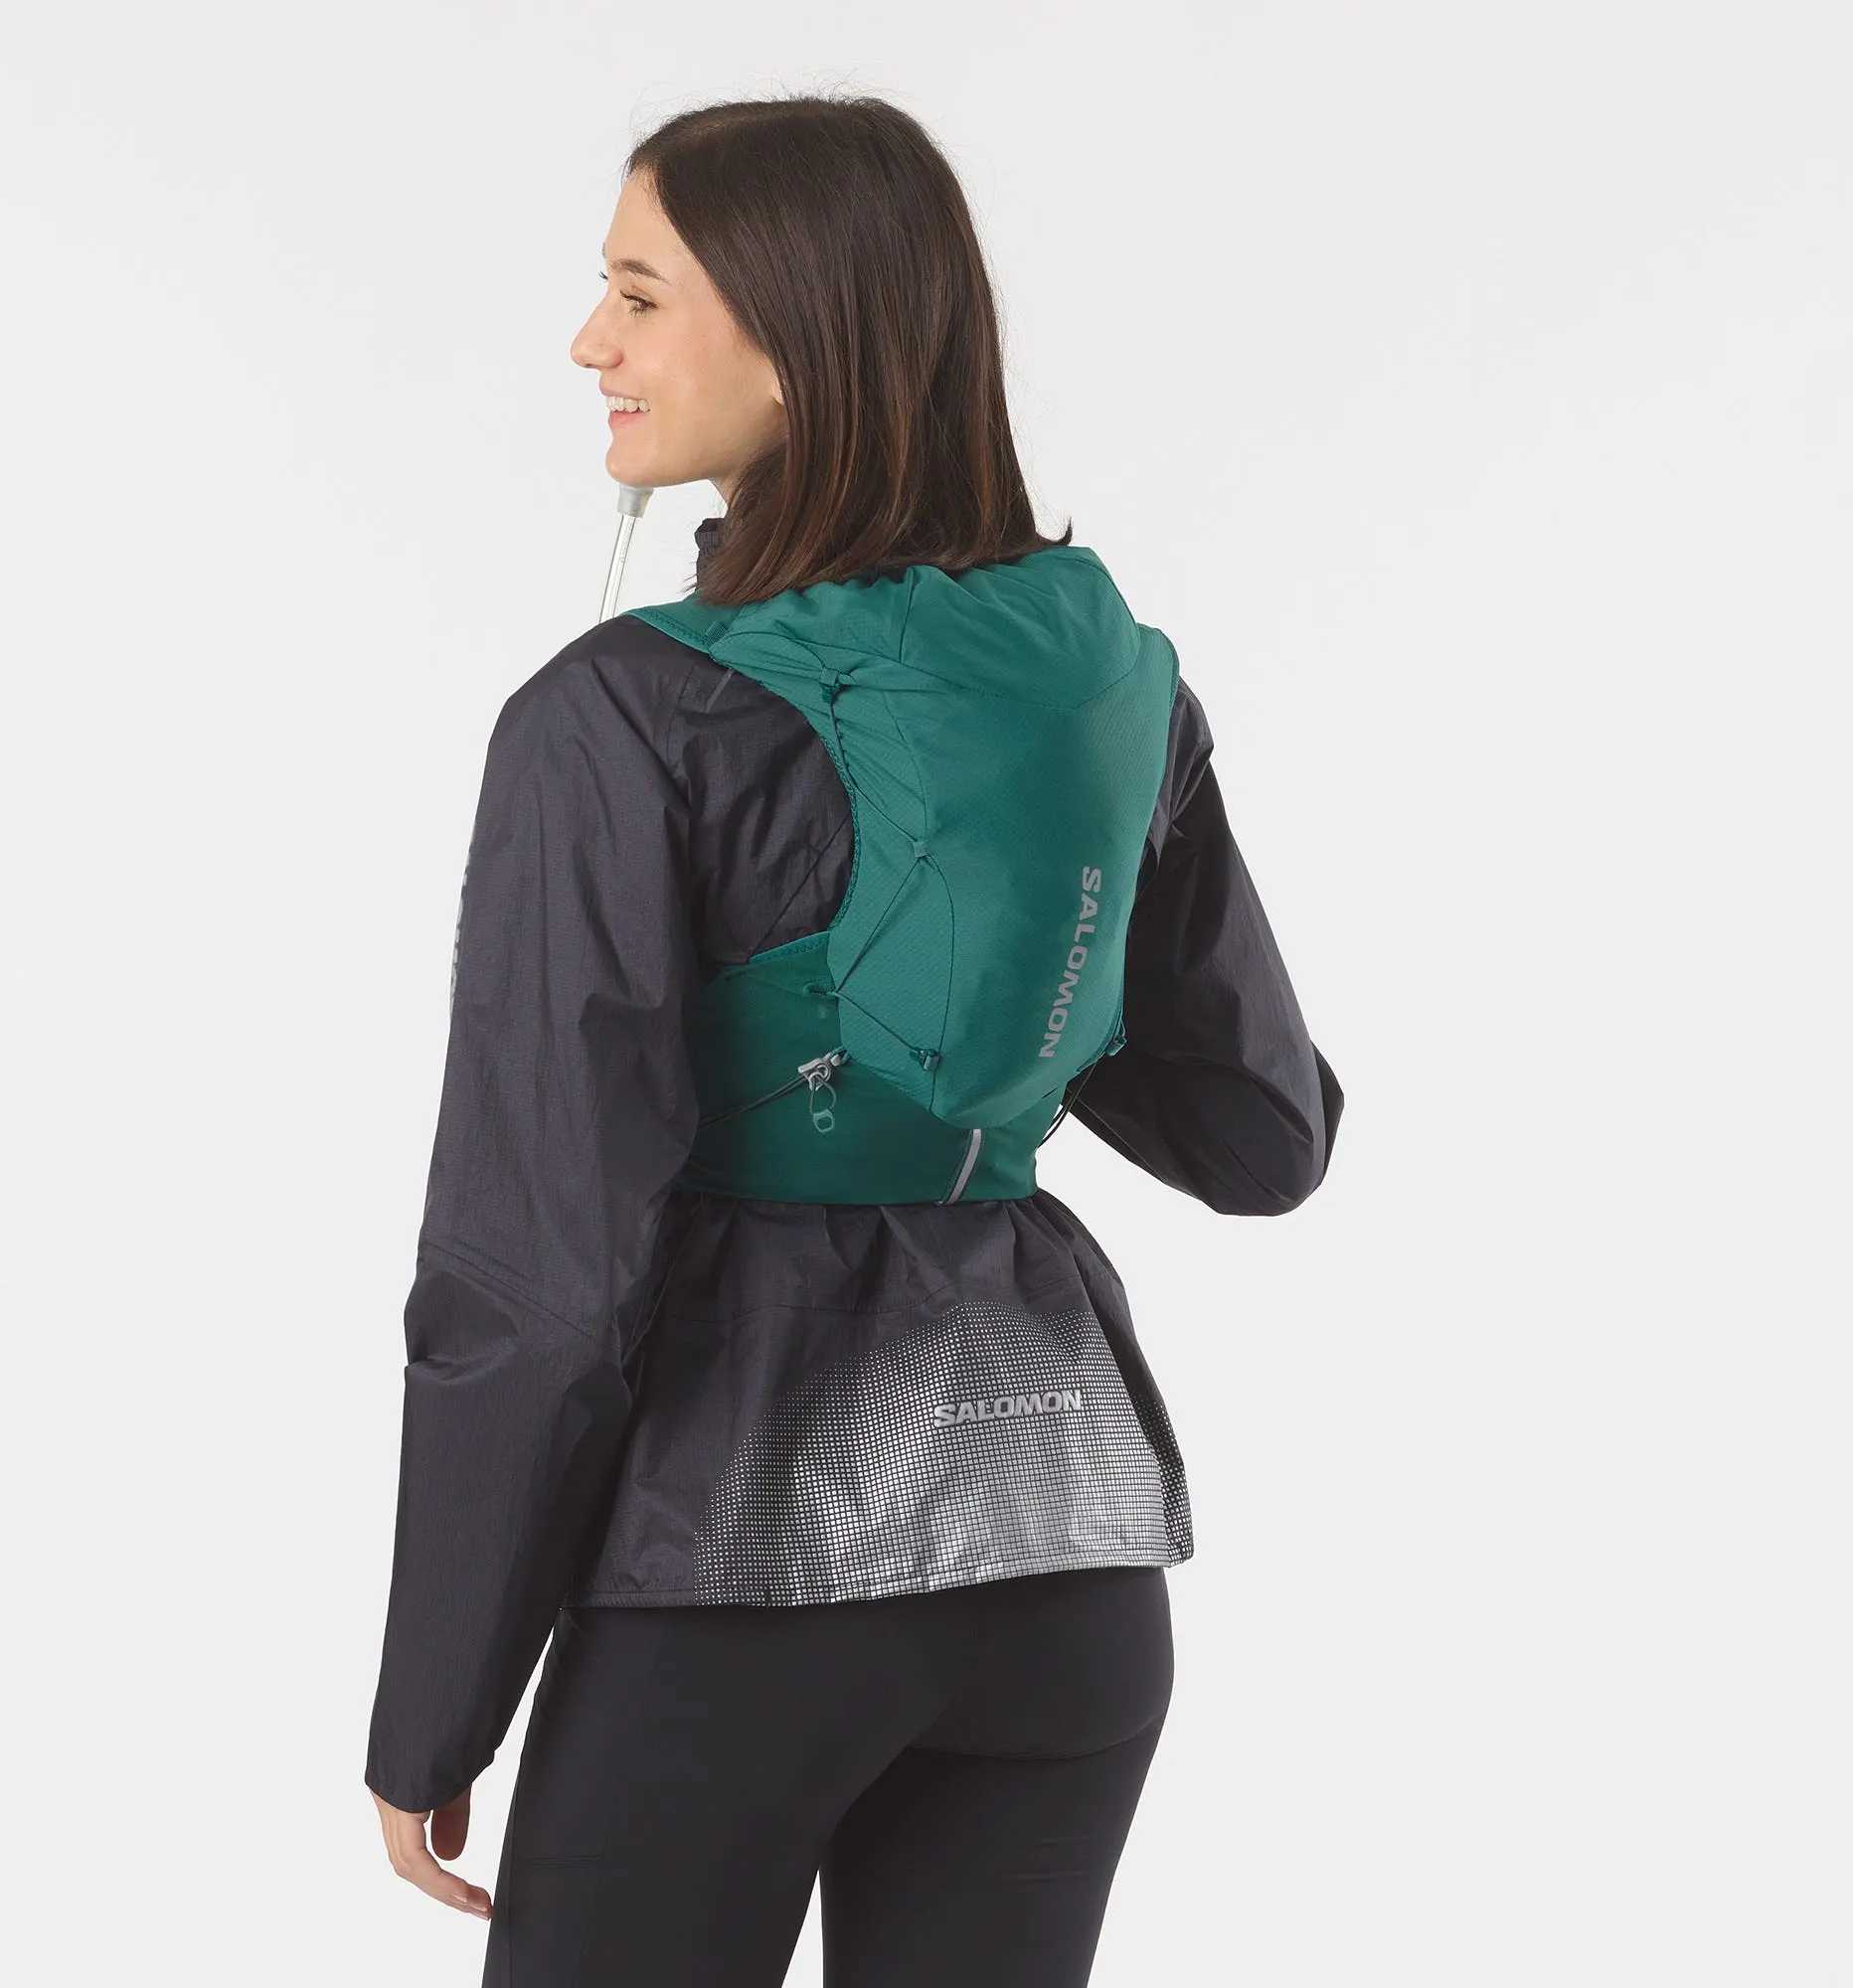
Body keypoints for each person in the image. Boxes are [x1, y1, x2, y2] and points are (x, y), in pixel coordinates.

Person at [364, 94, 1343, 1987]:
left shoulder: (618, 720)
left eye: (640, 295)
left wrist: (436, 1704)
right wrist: (1012, 949)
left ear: (796, 337)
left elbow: (537, 1284)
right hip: (1066, 1565)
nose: (589, 343)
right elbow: (1261, 1131)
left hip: (736, 1577)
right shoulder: (1110, 684)